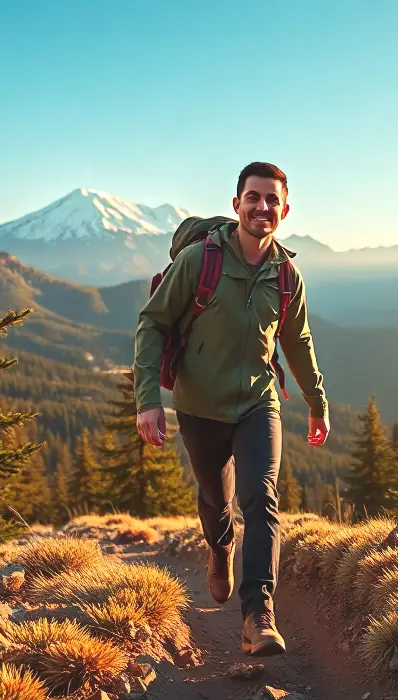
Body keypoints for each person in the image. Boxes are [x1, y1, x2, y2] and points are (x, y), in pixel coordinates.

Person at [132, 161, 329, 657]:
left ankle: (257, 615)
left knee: (261, 499)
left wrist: (316, 402)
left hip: (259, 403)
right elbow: (152, 323)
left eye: (272, 200)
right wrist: (148, 401)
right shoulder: (201, 261)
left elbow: (297, 342)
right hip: (199, 407)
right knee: (215, 501)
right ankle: (220, 550)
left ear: (285, 209)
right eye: (253, 197)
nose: (263, 207)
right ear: (236, 203)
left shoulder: (286, 274)